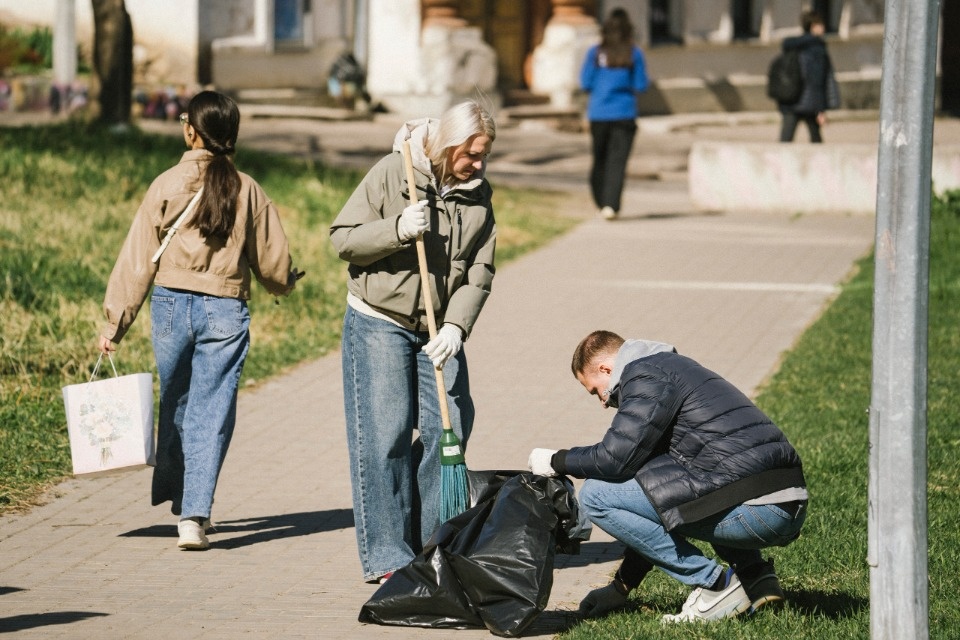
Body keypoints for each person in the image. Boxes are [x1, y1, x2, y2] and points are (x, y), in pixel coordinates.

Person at [98, 90, 301, 550]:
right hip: (225, 309)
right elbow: (272, 261)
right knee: (211, 413)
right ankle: (193, 514)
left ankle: (180, 497)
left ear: (190, 130)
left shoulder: (165, 184)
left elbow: (137, 259)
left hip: (170, 305)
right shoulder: (247, 188)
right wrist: (284, 284)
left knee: (177, 404)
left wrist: (115, 324)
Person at [527, 330, 807, 622]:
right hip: (782, 501)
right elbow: (660, 504)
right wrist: (620, 587)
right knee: (681, 489)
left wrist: (556, 460)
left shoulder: (645, 377)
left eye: (596, 390)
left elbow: (613, 458)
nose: (602, 401)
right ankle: (755, 578)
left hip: (759, 510)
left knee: (596, 495)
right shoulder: (671, 369)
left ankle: (716, 586)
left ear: (606, 369)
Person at [329, 100, 497, 584]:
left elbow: (480, 271)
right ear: (447, 146)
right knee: (385, 435)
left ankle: (434, 547)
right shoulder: (392, 172)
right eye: (471, 154)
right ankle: (388, 557)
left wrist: (456, 327)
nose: (479, 165)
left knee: (450, 431)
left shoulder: (479, 197)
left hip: (438, 329)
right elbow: (343, 238)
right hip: (379, 318)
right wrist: (398, 229)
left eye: (484, 155)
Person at [580, 8, 649, 221]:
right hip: (624, 114)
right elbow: (641, 84)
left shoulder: (596, 53)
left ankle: (602, 201)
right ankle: (611, 205)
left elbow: (585, 82)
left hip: (599, 114)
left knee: (599, 159)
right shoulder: (634, 53)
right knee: (617, 161)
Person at [778, 11, 841, 143]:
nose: (823, 28)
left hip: (791, 99)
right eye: (821, 25)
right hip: (811, 103)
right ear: (813, 26)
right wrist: (821, 109)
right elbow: (817, 81)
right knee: (816, 142)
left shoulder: (793, 46)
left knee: (784, 142)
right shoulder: (817, 49)